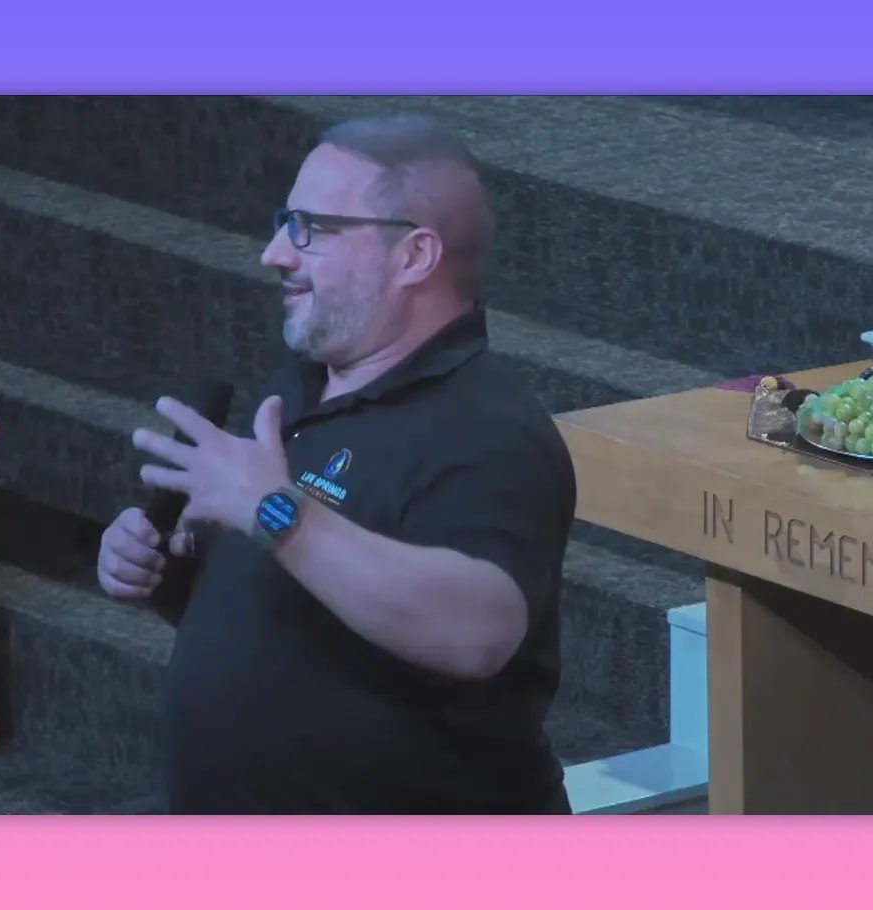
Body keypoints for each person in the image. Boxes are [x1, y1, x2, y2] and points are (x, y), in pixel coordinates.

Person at [95, 115, 578, 814]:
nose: (274, 254)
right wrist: (176, 575)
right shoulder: (298, 390)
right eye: (284, 223)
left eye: (311, 229)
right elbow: (307, 596)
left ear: (413, 256)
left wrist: (274, 511)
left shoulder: (491, 431)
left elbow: (476, 629)